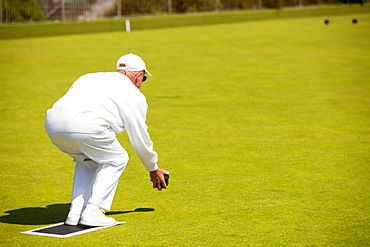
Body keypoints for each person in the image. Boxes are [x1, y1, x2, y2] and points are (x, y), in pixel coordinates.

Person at [45, 53, 169, 227]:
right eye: (144, 79)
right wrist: (152, 168)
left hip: (53, 124)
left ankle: (76, 211)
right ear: (138, 76)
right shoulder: (134, 95)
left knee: (87, 161)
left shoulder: (87, 77)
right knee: (117, 158)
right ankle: (93, 211)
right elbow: (139, 137)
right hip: (85, 125)